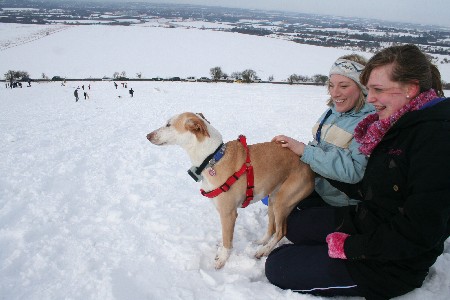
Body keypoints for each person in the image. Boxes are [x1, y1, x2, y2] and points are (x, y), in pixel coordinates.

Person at [265, 44, 450, 299]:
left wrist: (351, 247)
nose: (370, 97)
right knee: (294, 228)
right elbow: (373, 186)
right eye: (369, 88)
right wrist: (305, 164)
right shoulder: (396, 123)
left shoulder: (435, 140)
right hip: (369, 220)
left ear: (411, 89)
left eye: (378, 89)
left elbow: (419, 232)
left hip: (390, 264)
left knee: (278, 265)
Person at [272, 54, 374, 208]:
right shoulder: (333, 112)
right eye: (331, 85)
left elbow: (354, 171)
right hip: (318, 187)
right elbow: (320, 145)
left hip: (342, 202)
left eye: (344, 86)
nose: (334, 93)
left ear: (362, 88)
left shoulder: (368, 123)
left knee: (295, 226)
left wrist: (305, 151)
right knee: (272, 191)